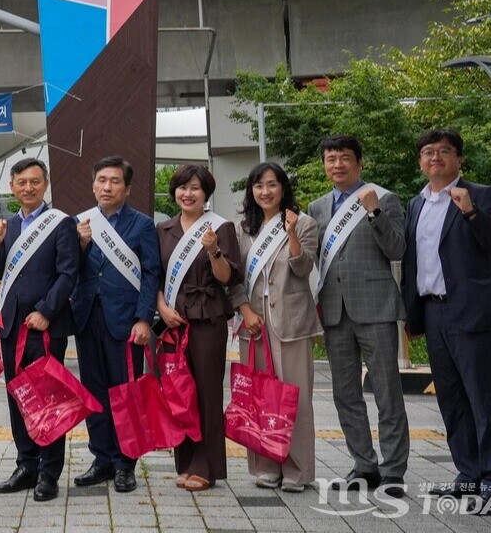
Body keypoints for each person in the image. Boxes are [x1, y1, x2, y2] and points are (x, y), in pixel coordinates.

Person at [401, 129, 491, 510]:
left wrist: (470, 212)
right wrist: (412, 317)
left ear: (459, 159)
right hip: (434, 313)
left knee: (484, 400)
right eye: (428, 152)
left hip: (474, 313)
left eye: (444, 151)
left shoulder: (481, 195)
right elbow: (414, 265)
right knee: (452, 401)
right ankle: (469, 476)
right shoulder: (416, 205)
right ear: (420, 161)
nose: (435, 157)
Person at [307, 135, 408, 495]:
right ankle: (364, 465)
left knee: (386, 390)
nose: (337, 165)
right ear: (324, 165)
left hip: (376, 307)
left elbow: (397, 248)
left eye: (344, 158)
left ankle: (394, 470)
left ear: (359, 163)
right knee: (345, 393)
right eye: (330, 158)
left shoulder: (384, 198)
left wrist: (374, 213)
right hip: (334, 311)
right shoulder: (317, 208)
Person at [0, 157, 79, 502]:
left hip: (45, 328)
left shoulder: (61, 223)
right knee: (19, 398)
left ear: (45, 184)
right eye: (22, 182)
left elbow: (69, 273)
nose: (28, 188)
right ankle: (26, 464)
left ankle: (48, 472)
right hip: (11, 326)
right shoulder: (8, 226)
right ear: (12, 186)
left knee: (48, 397)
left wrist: (45, 310)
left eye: (35, 182)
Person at [71, 156, 161, 493]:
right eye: (102, 180)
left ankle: (126, 463)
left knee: (126, 393)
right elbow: (72, 269)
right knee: (94, 392)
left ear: (127, 188)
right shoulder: (81, 222)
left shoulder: (142, 225)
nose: (107, 187)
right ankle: (102, 458)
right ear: (93, 184)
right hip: (86, 317)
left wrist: (143, 318)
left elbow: (151, 274)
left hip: (125, 320)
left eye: (115, 181)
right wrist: (80, 243)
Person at [155, 164, 245, 492]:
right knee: (180, 392)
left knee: (207, 393)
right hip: (173, 320)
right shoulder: (163, 229)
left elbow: (228, 277)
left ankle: (206, 466)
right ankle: (185, 461)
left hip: (208, 317)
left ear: (205, 193)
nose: (188, 193)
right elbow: (154, 276)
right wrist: (161, 307)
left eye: (195, 187)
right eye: (182, 187)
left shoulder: (221, 228)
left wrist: (213, 250)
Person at [232, 163, 320, 492]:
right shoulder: (243, 228)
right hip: (253, 323)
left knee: (295, 397)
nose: (265, 191)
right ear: (251, 192)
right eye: (258, 186)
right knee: (258, 396)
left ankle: (297, 470)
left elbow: (302, 268)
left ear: (283, 188)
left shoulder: (304, 222)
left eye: (272, 185)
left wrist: (293, 233)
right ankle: (265, 465)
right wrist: (244, 310)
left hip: (291, 322)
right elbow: (234, 278)